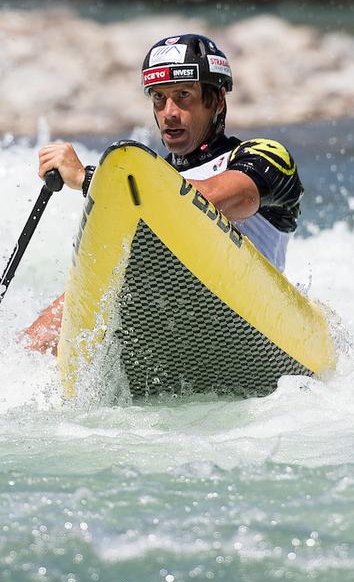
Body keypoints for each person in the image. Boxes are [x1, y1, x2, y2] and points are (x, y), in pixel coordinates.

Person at [24, 33, 304, 354]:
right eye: (159, 98)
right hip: (158, 319)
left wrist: (88, 179)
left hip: (251, 331)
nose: (169, 112)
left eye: (183, 95)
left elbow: (212, 200)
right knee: (42, 333)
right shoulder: (149, 179)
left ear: (217, 100)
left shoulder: (263, 156)